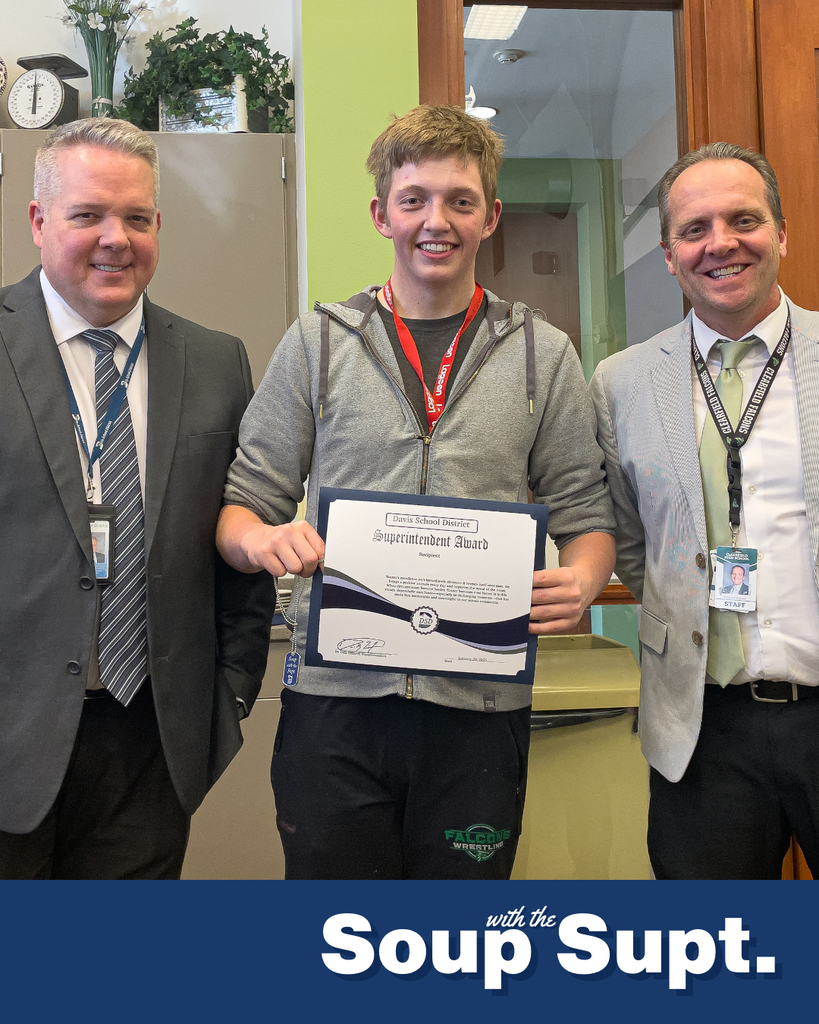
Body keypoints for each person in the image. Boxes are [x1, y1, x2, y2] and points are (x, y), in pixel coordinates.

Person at [217, 104, 615, 880]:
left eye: (460, 201)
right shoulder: (318, 341)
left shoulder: (543, 353)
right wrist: (263, 539)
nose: (437, 221)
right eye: (414, 200)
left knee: (457, 947)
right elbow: (242, 505)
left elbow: (585, 514)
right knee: (335, 941)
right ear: (380, 214)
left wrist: (583, 579)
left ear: (490, 216)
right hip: (335, 707)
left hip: (479, 714)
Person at [0, 119, 275, 879]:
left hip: (149, 736)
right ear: (38, 221)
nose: (115, 238)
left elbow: (237, 529)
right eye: (88, 214)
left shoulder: (217, 362)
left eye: (137, 218)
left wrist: (231, 693)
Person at [591, 142, 819, 879]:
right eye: (694, 229)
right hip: (701, 727)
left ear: (780, 234)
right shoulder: (621, 382)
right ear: (667, 255)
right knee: (715, 958)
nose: (719, 242)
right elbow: (630, 538)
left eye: (742, 219)